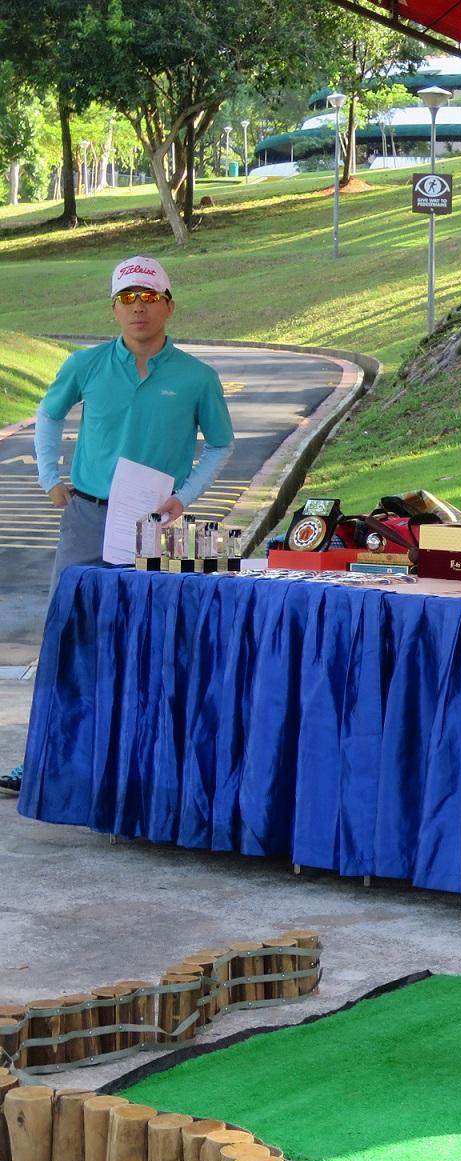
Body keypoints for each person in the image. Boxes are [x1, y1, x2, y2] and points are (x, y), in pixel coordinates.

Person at [0, 256, 234, 793]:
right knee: (69, 635)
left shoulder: (197, 376)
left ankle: (137, 762)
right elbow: (49, 414)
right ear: (113, 308)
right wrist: (47, 477)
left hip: (151, 525)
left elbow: (221, 443)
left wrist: (185, 496)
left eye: (149, 298)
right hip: (86, 515)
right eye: (128, 299)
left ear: (169, 305)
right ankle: (44, 760)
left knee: (147, 635)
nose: (139, 309)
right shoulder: (85, 365)